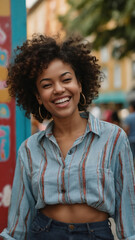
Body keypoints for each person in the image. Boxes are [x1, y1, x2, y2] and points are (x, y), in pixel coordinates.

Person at [0, 34, 135, 240]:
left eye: (66, 79)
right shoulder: (29, 149)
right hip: (44, 233)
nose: (59, 89)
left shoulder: (114, 138)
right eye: (46, 85)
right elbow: (19, 220)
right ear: (37, 96)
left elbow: (128, 207)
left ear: (79, 84)